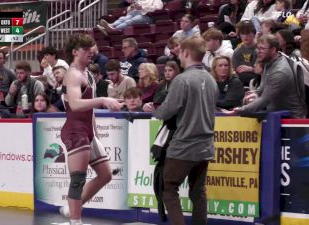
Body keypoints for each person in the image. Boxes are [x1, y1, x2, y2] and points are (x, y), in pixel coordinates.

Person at [143, 36, 218, 225]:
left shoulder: (182, 80)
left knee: (168, 187)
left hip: (184, 145)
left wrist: (154, 111)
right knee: (198, 192)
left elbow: (167, 110)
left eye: (180, 54)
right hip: (205, 146)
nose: (179, 58)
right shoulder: (211, 79)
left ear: (186, 52)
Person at [59, 33, 123, 225]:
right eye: (85, 49)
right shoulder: (72, 75)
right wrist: (103, 100)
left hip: (86, 131)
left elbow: (89, 109)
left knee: (105, 175)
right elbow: (76, 104)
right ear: (74, 52)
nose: (91, 52)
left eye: (91, 48)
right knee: (78, 179)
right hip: (74, 130)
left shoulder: (87, 74)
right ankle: (75, 221)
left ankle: (69, 209)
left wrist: (95, 132)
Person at [224, 35, 307, 118]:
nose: (258, 52)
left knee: (246, 114)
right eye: (258, 48)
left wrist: (241, 110)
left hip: (292, 119)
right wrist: (255, 93)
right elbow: (262, 88)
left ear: (273, 50)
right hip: (277, 114)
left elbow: (265, 100)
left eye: (262, 49)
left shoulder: (280, 71)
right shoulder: (269, 61)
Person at [97, 0, 163, 34]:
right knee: (123, 18)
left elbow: (157, 8)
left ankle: (114, 30)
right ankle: (110, 25)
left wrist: (142, 7)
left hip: (147, 16)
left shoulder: (157, 1)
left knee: (131, 20)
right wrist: (131, 7)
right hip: (134, 13)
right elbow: (128, 10)